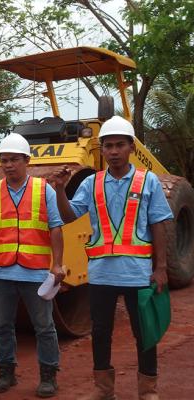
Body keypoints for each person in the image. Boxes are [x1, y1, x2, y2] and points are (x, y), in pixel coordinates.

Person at [50, 116, 172, 400]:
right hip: (102, 274)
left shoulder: (148, 181)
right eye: (108, 146)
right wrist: (58, 189)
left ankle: (148, 391)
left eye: (119, 145)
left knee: (144, 333)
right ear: (101, 150)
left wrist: (162, 267)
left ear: (131, 147)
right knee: (101, 333)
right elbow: (69, 216)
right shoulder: (91, 183)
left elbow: (159, 224)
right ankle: (104, 390)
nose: (114, 151)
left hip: (139, 273)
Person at [0, 132, 65, 398]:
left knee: (44, 327)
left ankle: (48, 375)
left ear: (26, 160)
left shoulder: (43, 190)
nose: (8, 165)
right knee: (2, 326)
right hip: (2, 272)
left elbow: (55, 228)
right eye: (4, 160)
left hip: (36, 272)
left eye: (14, 159)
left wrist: (58, 264)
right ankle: (7, 372)